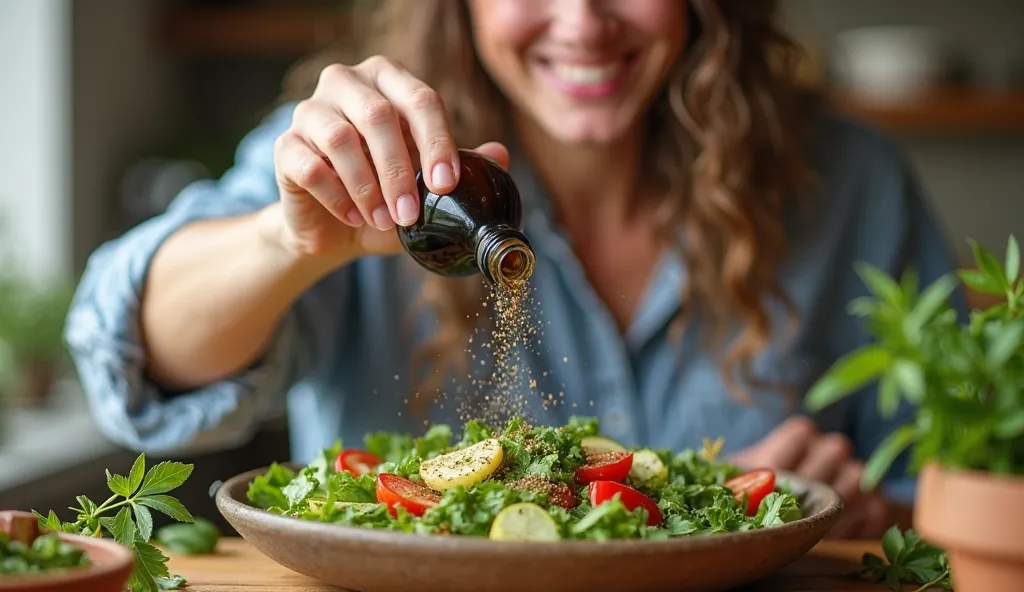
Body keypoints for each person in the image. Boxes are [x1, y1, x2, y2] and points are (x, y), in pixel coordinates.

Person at [65, 0, 965, 539]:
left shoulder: (850, 183)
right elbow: (128, 354)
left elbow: (967, 476)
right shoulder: (364, 155)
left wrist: (855, 505)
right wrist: (288, 242)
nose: (582, 23)